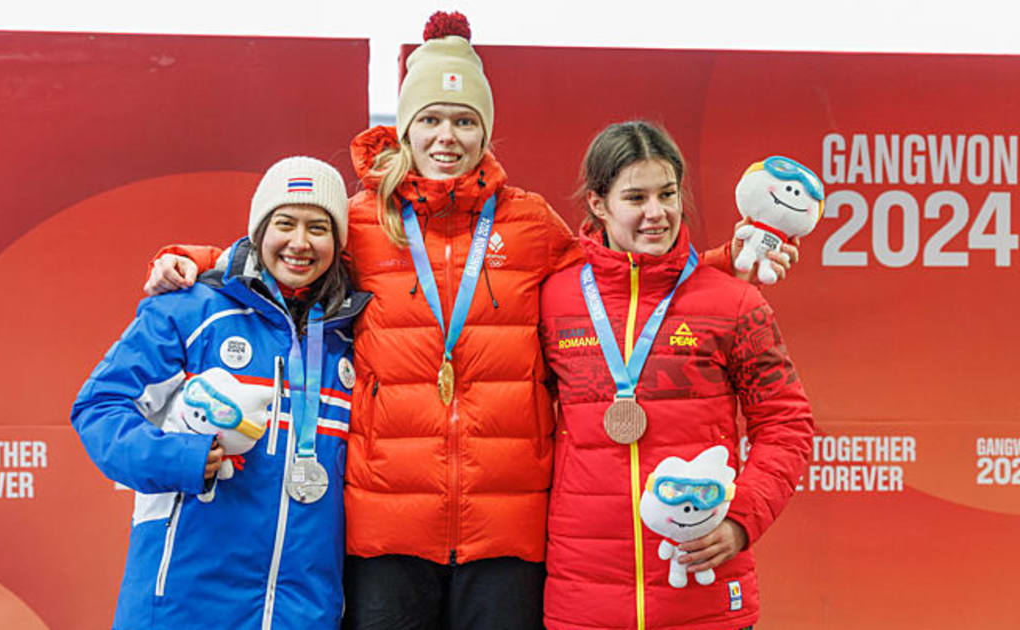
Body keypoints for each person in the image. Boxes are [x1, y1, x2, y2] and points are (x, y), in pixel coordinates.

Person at [141, 14, 798, 630]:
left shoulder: (531, 223)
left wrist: (718, 263)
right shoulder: (365, 220)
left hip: (506, 525)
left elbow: (620, 274)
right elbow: (284, 250)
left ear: (485, 130)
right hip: (389, 523)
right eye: (430, 120)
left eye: (463, 120)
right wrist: (190, 261)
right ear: (405, 129)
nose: (446, 138)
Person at [71, 156, 369, 630]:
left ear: (338, 242)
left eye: (319, 228)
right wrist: (180, 457)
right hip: (184, 604)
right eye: (284, 223)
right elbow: (99, 407)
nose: (299, 243)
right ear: (258, 230)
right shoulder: (190, 310)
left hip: (303, 610)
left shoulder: (351, 336)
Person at [538, 121, 814, 630]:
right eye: (635, 197)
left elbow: (787, 425)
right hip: (584, 600)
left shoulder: (734, 302)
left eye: (667, 194)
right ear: (598, 204)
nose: (656, 213)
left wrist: (741, 520)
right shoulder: (555, 299)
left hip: (704, 595)